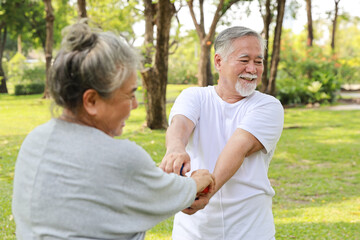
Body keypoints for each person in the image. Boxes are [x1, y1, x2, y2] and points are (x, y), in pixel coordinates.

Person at [11, 21, 215, 240]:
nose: (135, 105)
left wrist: (149, 175)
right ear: (91, 101)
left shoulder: (35, 140)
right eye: (129, 94)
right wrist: (201, 179)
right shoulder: (120, 157)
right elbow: (178, 193)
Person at [160, 26, 284, 240]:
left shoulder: (268, 106)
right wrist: (175, 150)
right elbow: (179, 125)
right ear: (218, 62)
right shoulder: (194, 96)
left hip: (250, 231)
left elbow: (238, 147)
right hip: (192, 232)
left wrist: (208, 188)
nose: (253, 69)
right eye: (244, 60)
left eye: (259, 61)